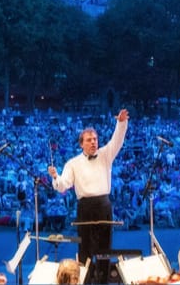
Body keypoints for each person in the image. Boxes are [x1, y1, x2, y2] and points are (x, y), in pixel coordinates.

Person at [48, 109, 129, 263]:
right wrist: (55, 177)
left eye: (95, 139)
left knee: (105, 249)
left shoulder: (106, 154)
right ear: (81, 144)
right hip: (85, 207)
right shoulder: (73, 163)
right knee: (85, 249)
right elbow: (63, 185)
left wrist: (121, 123)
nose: (93, 142)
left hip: (104, 205)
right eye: (89, 140)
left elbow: (117, 140)